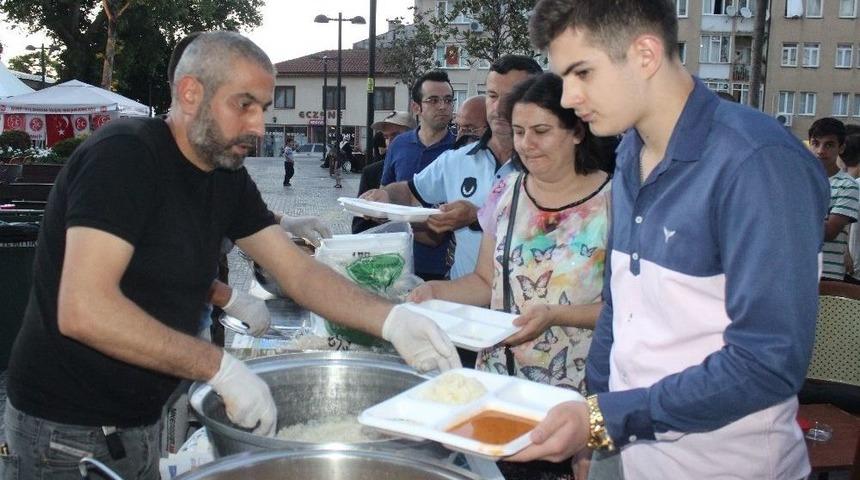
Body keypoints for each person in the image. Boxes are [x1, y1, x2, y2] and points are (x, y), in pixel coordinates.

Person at [1, 31, 459, 480]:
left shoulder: (223, 174)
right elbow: (84, 308)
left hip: (139, 421)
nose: (259, 126)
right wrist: (216, 365)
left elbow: (296, 270)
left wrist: (391, 321)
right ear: (190, 92)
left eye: (262, 107)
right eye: (245, 105)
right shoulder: (124, 157)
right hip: (65, 433)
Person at [514, 2, 830, 479]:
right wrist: (596, 420)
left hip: (726, 466)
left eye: (582, 73)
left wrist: (603, 420)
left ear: (645, 54)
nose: (570, 96)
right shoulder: (629, 155)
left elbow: (768, 361)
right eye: (564, 77)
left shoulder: (756, 162)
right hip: (624, 453)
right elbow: (619, 305)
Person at [409, 73, 612, 480]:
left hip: (573, 402)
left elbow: (626, 309)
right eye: (518, 131)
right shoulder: (507, 194)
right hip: (497, 392)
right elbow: (486, 282)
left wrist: (555, 314)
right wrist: (434, 291)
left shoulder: (615, 203)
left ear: (576, 131)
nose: (525, 144)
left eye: (540, 131)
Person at [362, 55, 543, 281]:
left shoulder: (551, 163)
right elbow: (410, 191)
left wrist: (476, 217)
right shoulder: (456, 160)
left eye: (513, 97)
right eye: (492, 95)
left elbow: (557, 227)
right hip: (468, 299)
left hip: (535, 303)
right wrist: (386, 195)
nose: (499, 107)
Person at [379, 70, 457, 281]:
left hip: (445, 270)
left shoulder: (461, 151)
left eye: (448, 100)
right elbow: (385, 196)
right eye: (433, 100)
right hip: (397, 263)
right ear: (416, 107)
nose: (443, 106)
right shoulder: (399, 145)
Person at [809, 118, 859, 282]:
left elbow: (829, 232)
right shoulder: (797, 180)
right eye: (816, 143)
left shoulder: (848, 185)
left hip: (827, 274)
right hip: (793, 270)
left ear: (841, 148)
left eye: (829, 145)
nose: (820, 150)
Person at [353, 111, 416, 234]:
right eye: (386, 137)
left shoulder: (431, 169)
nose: (390, 142)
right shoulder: (371, 172)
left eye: (396, 135)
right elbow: (358, 227)